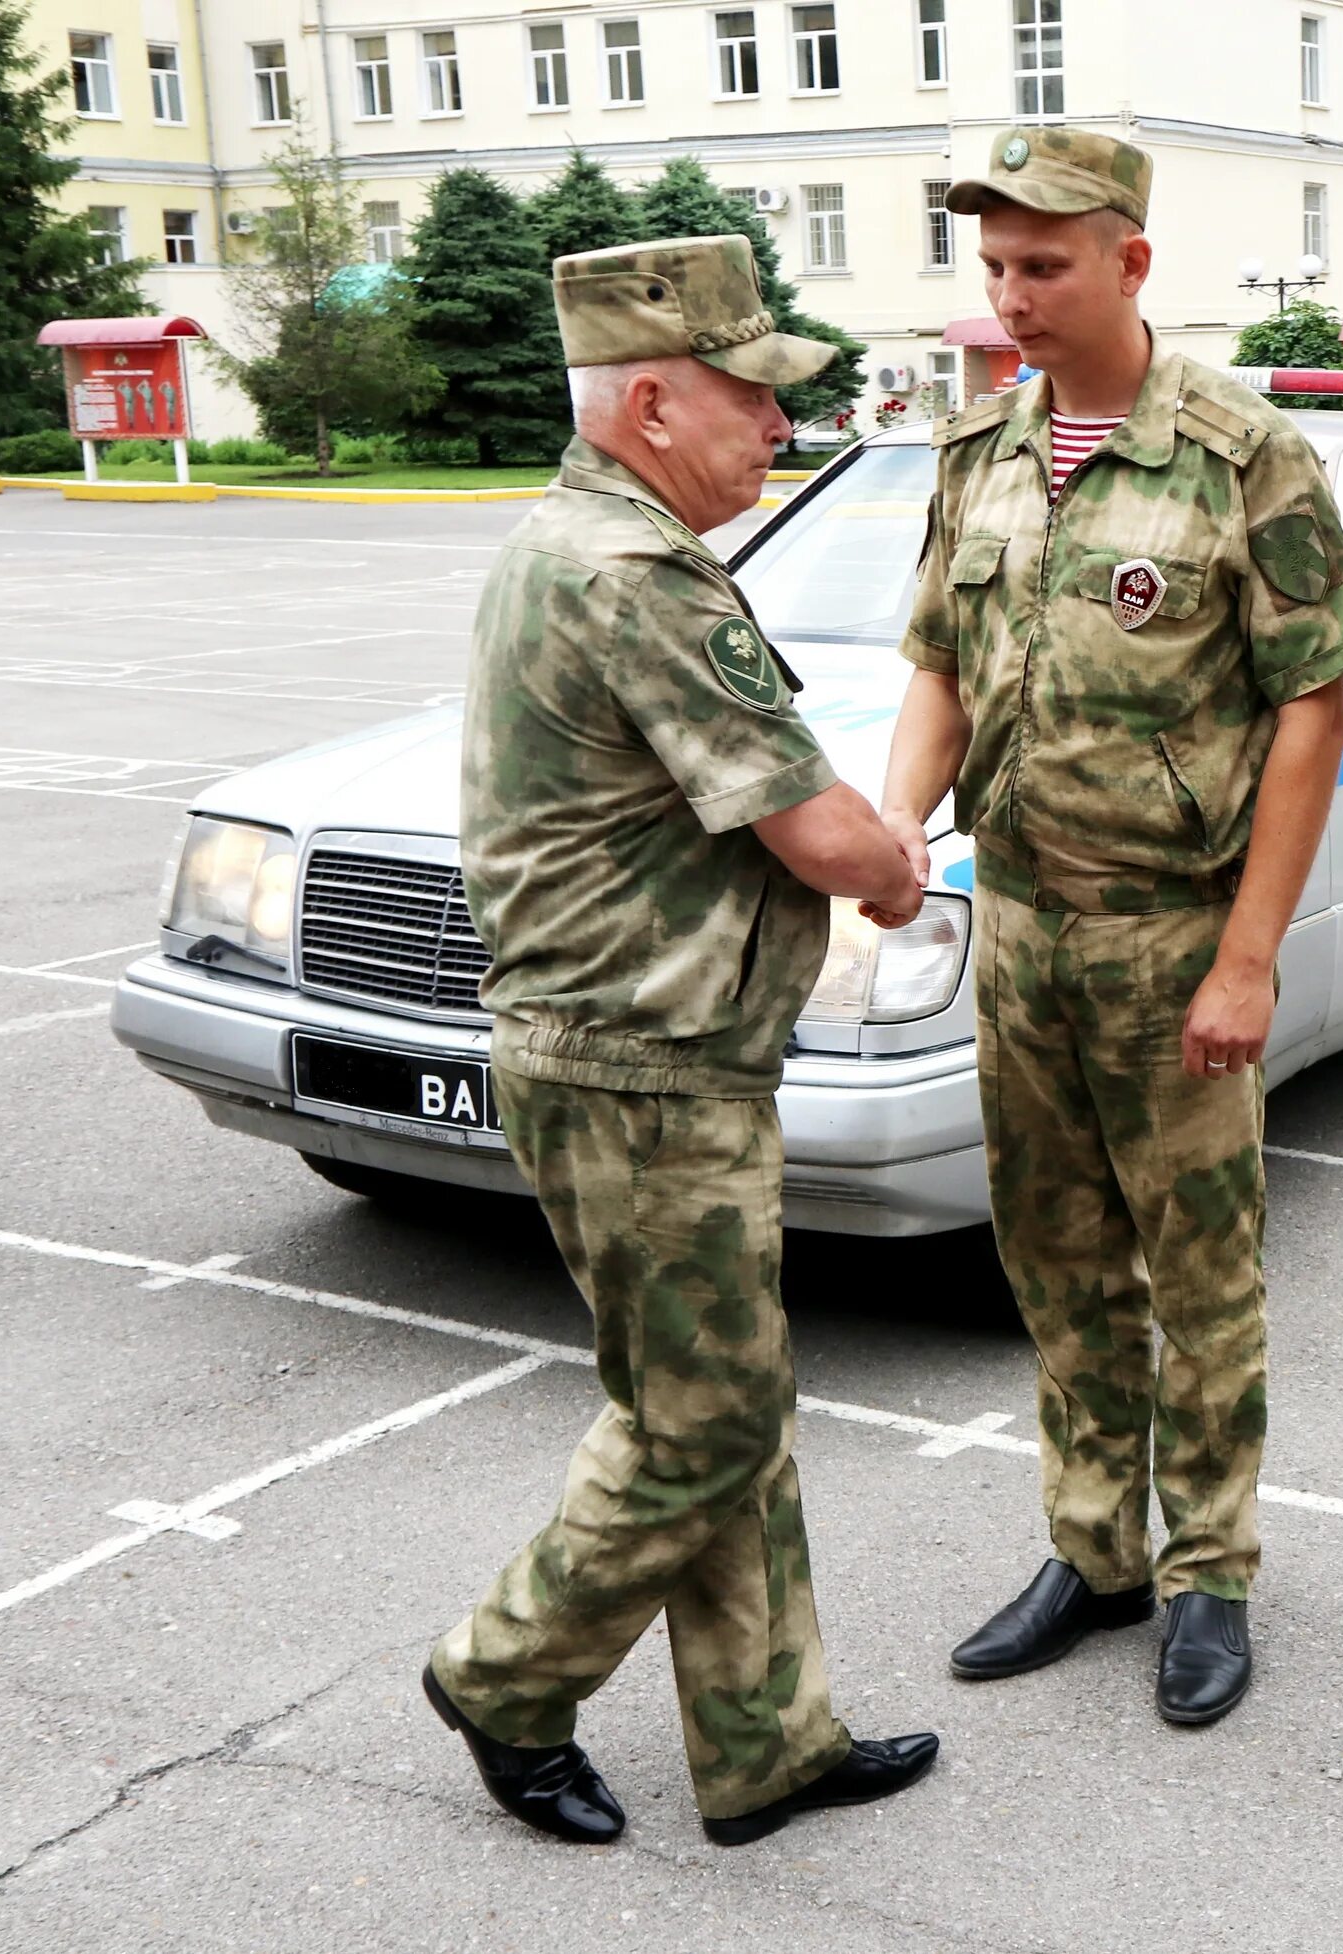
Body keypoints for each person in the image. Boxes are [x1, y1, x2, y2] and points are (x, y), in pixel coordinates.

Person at [426, 235, 942, 1849]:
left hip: (635, 1052)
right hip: (642, 1065)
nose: (777, 432)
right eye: (751, 401)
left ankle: (765, 1734)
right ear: (652, 401)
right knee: (702, 1416)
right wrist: (902, 859)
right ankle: (505, 1671)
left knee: (721, 1394)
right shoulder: (633, 573)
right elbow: (815, 828)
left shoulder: (575, 537)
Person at [881, 127, 1343, 1725]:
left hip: (1175, 938)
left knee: (1200, 1271)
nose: (1012, 296)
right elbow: (938, 671)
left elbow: (1315, 709)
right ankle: (1091, 1548)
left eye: (1045, 264)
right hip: (1018, 925)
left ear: (1130, 263)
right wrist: (903, 815)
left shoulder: (1247, 456)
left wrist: (1250, 954)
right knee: (1058, 1257)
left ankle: (1211, 1568)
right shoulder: (974, 456)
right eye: (997, 267)